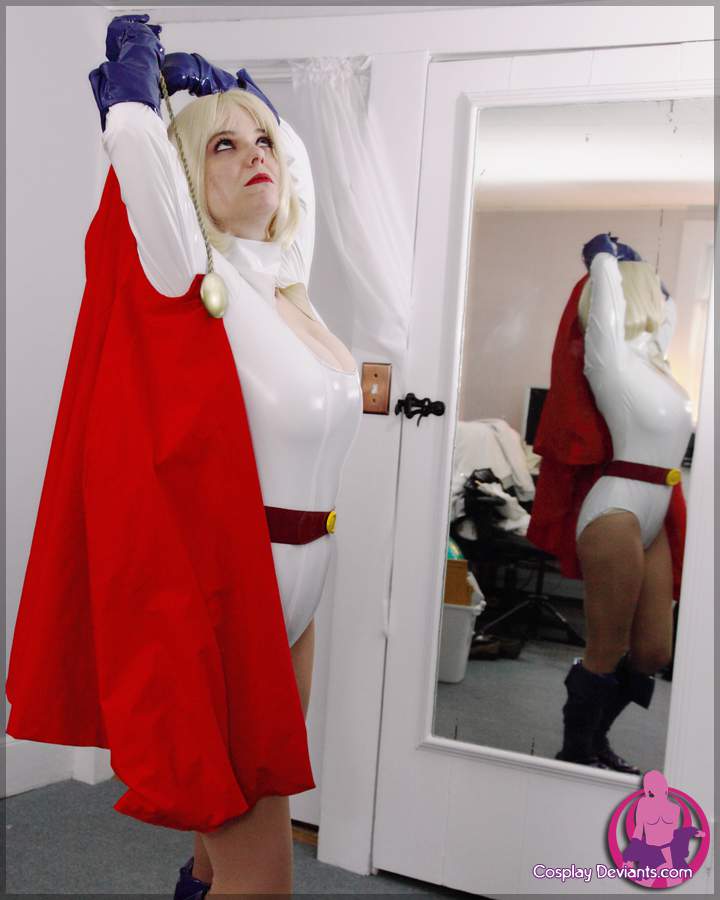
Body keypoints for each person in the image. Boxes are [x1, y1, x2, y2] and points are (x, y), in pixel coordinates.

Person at [6, 14, 362, 899]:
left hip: (299, 596)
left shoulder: (283, 278)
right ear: (186, 178)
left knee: (223, 849)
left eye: (262, 143)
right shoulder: (191, 273)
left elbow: (294, 162)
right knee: (260, 874)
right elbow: (136, 144)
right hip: (224, 599)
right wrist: (141, 78)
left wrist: (237, 101)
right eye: (222, 148)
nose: (256, 157)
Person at [550, 233, 693, 774]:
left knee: (653, 651)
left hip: (656, 509)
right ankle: (577, 753)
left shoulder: (655, 362)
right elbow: (609, 309)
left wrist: (651, 280)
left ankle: (596, 740)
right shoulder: (608, 360)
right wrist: (606, 259)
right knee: (606, 648)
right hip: (618, 510)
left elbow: (667, 311)